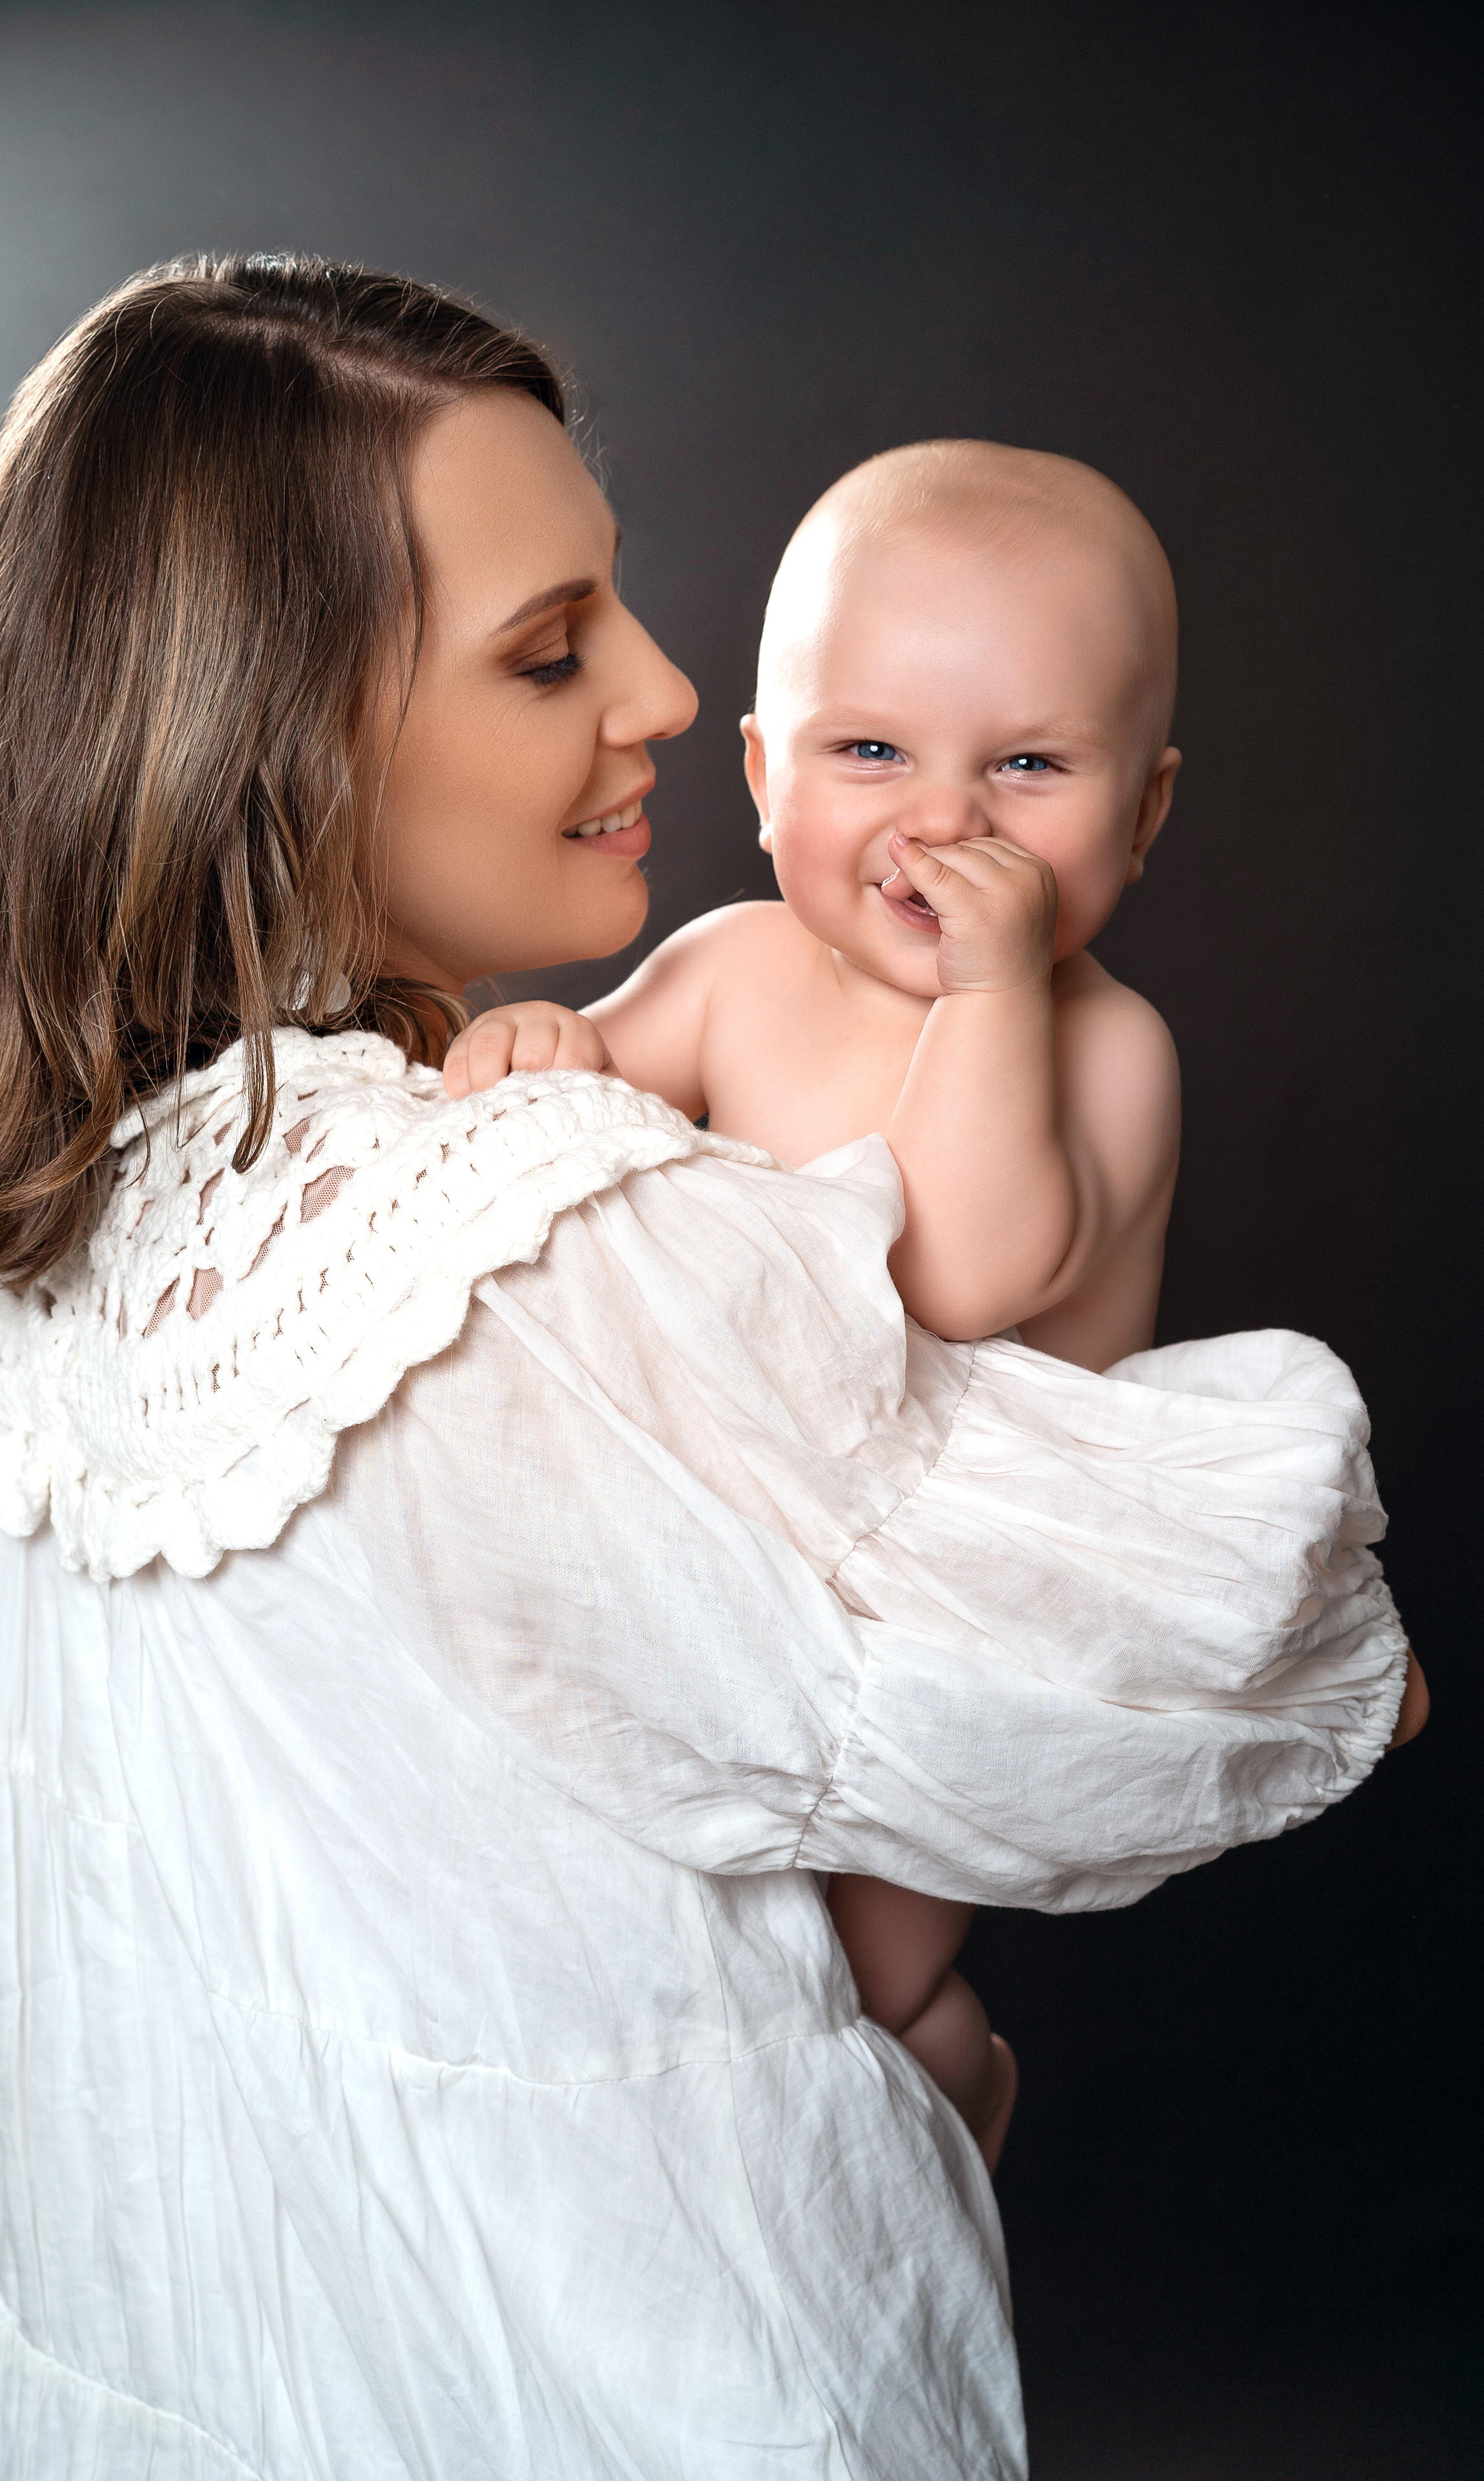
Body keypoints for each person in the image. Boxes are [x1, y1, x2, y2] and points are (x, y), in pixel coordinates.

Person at [0, 255, 1421, 2481]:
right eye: (552, 645)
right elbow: (1088, 1660)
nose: (670, 693)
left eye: (628, 611)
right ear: (287, 724)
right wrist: (1295, 1642)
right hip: (615, 2373)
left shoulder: (60, 1220)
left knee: (900, 1971)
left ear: (1138, 809)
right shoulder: (504, 1232)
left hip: (198, 2352)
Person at [446, 439, 1182, 2169]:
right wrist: (547, 1054)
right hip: (750, 1568)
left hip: (963, 1614)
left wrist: (994, 988)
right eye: (874, 753)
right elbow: (580, 1123)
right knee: (692, 1947)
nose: (946, 819)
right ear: (769, 781)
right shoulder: (729, 966)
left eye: (1027, 764)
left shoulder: (1108, 1047)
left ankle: (942, 2088)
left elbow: (956, 1269)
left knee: (856, 1968)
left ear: (1142, 814)